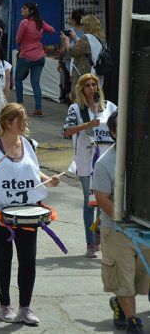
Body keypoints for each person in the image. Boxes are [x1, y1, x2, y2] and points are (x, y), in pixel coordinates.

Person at [0, 103, 61, 326]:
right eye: (21, 119)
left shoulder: (29, 144)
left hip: (27, 210)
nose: (26, 123)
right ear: (8, 123)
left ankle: (25, 309)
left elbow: (33, 170)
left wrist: (48, 179)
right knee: (3, 255)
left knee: (28, 258)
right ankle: (4, 306)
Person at [93, 112, 147, 332]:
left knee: (139, 279)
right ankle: (133, 320)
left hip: (144, 228)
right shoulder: (105, 163)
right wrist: (122, 217)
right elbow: (101, 197)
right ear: (113, 133)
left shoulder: (144, 155)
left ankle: (120, 304)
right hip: (117, 229)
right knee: (123, 278)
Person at [62, 73, 117, 258]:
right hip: (86, 161)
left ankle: (99, 234)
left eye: (94, 84)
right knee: (90, 202)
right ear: (81, 89)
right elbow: (67, 131)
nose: (92, 88)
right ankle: (90, 242)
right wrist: (86, 125)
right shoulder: (75, 109)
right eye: (88, 85)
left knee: (106, 200)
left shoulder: (109, 106)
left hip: (108, 161)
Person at [15, 2, 55, 117]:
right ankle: (38, 109)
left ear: (30, 11)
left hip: (26, 56)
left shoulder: (24, 23)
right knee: (35, 83)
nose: (22, 10)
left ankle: (19, 106)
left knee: (18, 79)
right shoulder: (39, 22)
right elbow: (52, 30)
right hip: (39, 56)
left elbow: (18, 39)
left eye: (24, 8)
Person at [61, 14, 107, 101]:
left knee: (78, 97)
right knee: (91, 97)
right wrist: (75, 38)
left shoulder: (86, 38)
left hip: (82, 71)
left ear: (87, 26)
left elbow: (72, 52)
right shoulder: (101, 38)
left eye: (83, 25)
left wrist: (66, 41)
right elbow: (86, 49)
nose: (82, 27)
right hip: (96, 72)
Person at [57, 9, 85, 105]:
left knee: (71, 86)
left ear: (73, 20)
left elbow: (62, 51)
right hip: (84, 65)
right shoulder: (87, 33)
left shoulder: (69, 33)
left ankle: (72, 105)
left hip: (71, 64)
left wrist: (60, 62)